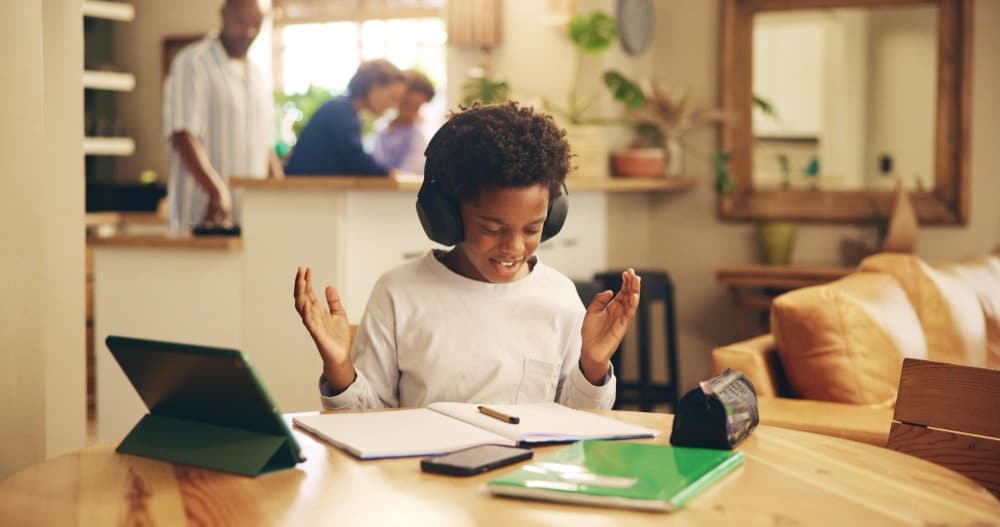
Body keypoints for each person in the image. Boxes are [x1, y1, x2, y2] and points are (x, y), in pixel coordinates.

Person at [292, 102, 641, 410]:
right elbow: (365, 421)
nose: (515, 247)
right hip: (422, 478)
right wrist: (339, 369)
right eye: (492, 229)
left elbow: (579, 425)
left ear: (552, 217)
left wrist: (593, 365)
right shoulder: (398, 293)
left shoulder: (559, 296)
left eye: (532, 230)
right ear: (446, 217)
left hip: (525, 480)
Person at [163, 0, 284, 231]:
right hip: (203, 217)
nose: (248, 32)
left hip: (251, 219)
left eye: (255, 25)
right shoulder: (192, 63)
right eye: (240, 22)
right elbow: (182, 133)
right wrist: (215, 190)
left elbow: (265, 145)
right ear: (223, 15)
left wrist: (280, 193)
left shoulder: (259, 75)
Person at [284, 59, 405, 176]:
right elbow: (358, 162)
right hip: (302, 191)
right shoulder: (341, 111)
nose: (392, 106)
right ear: (374, 86)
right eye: (392, 97)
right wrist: (389, 173)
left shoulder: (344, 109)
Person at [372, 69, 436, 174]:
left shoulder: (422, 134)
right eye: (407, 105)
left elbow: (411, 173)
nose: (411, 112)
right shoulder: (382, 128)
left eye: (416, 106)